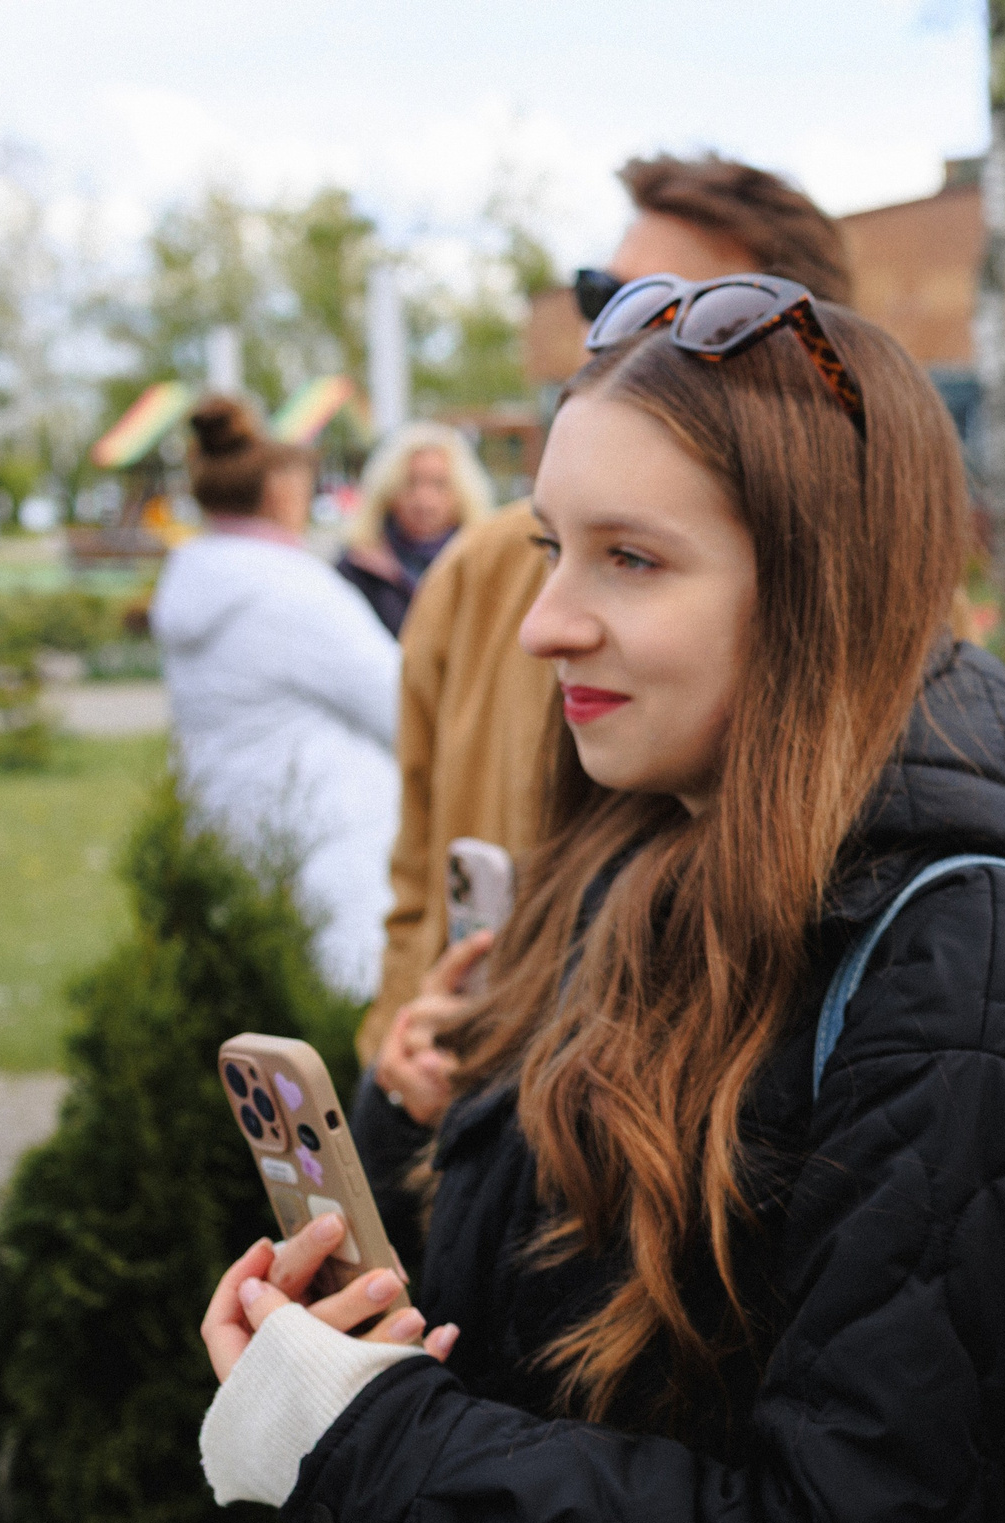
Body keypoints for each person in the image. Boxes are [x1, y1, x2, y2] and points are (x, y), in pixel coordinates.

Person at [195, 280, 1005, 1523]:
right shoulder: (639, 862)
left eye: (631, 560)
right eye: (552, 547)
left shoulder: (976, 989)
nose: (543, 623)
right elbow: (584, 1354)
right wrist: (376, 1286)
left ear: (817, 588)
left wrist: (374, 1434)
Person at [355, 152, 853, 1114]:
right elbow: (418, 880)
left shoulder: (859, 618)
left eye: (684, 315)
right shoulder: (478, 578)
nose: (620, 342)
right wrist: (395, 1063)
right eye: (608, 299)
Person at [150, 395, 397, 1000]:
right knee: (338, 1019)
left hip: (231, 826)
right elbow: (402, 707)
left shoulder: (192, 579)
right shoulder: (293, 592)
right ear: (279, 491)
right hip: (326, 840)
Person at [334, 424, 495, 637]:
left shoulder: (484, 567)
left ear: (462, 492)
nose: (424, 500)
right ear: (388, 490)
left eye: (439, 485)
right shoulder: (357, 568)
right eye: (411, 483)